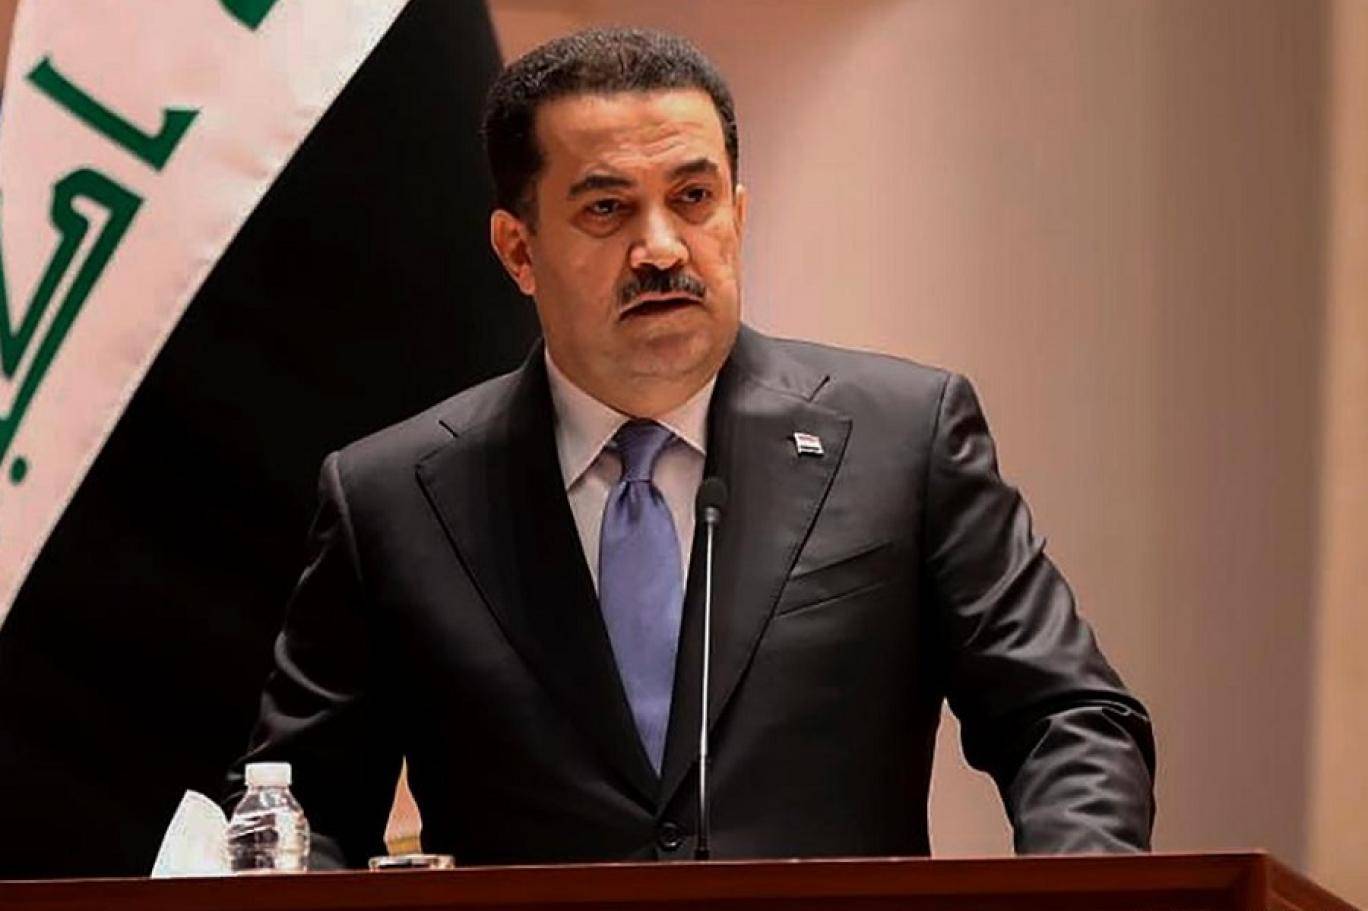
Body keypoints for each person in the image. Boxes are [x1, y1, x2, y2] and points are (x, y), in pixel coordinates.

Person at [228, 27, 1155, 869]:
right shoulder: (393, 498)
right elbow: (301, 815)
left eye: (694, 198)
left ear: (737, 215)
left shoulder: (904, 438)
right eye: (607, 209)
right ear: (517, 249)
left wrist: (1075, 894)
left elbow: (1066, 717)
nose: (662, 248)